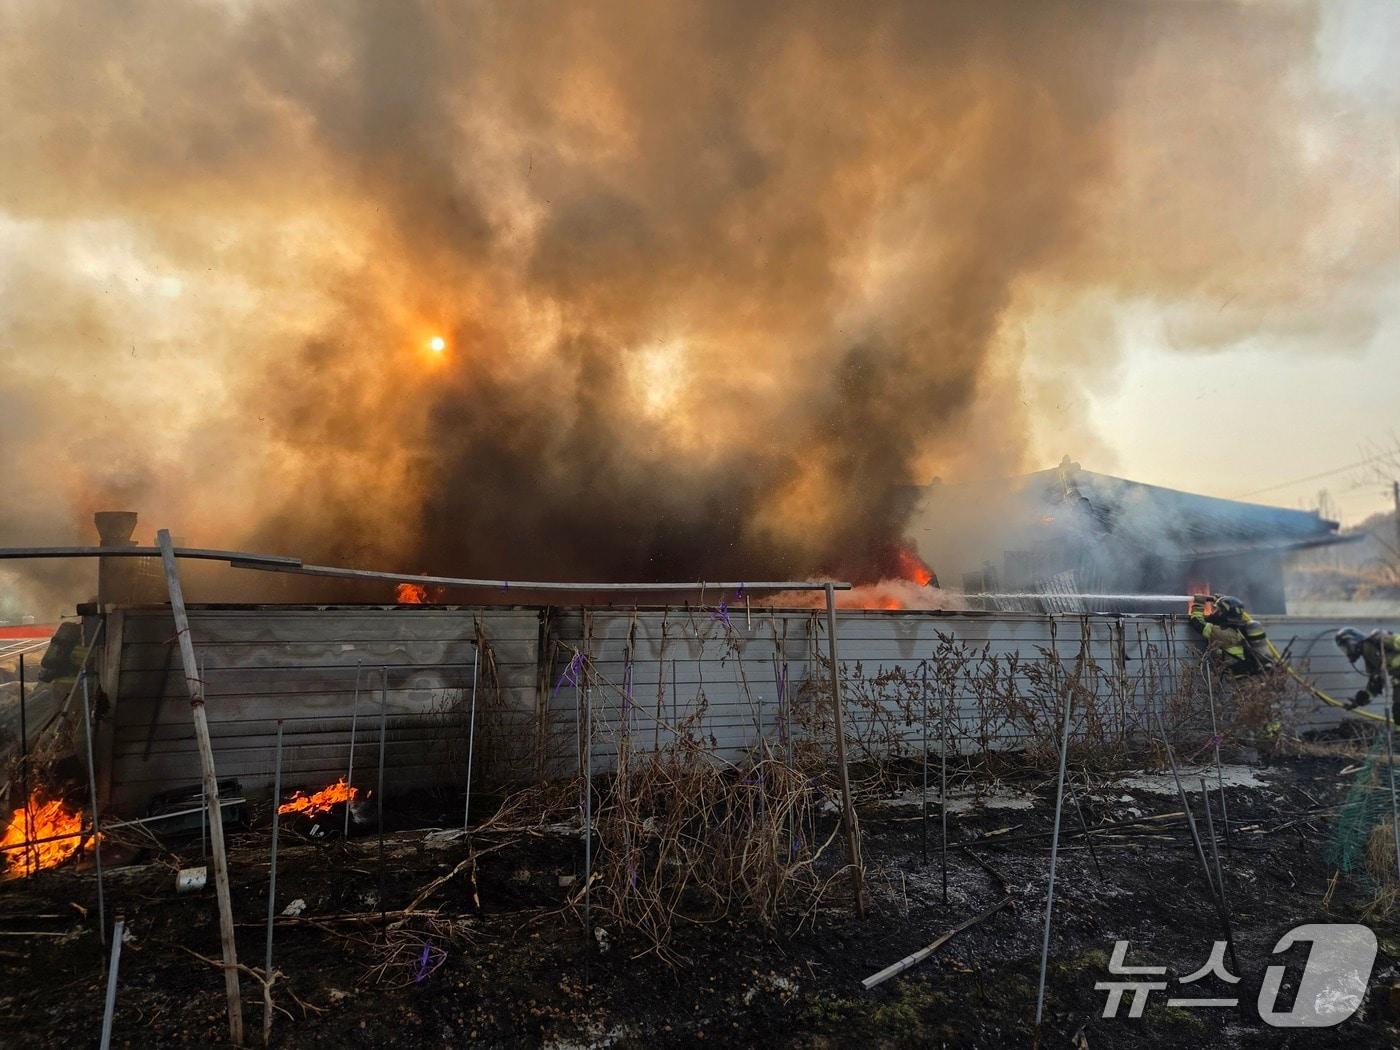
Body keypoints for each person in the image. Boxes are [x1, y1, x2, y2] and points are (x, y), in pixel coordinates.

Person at [1188, 594, 1274, 676]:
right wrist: (1222, 600)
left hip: (1239, 676)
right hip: (1249, 672)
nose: (1215, 612)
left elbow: (1197, 622)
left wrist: (1199, 604)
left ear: (1224, 613)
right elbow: (1217, 618)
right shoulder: (1239, 628)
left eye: (1218, 610)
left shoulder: (1222, 632)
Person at [1334, 627, 1400, 720]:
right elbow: (1375, 685)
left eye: (1346, 647)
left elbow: (1397, 641)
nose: (1347, 652)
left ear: (1352, 642)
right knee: (1398, 713)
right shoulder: (1369, 661)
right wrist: (1359, 701)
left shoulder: (1378, 639)